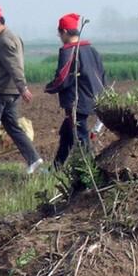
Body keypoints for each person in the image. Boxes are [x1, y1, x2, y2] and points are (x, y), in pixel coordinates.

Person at [0, 6, 43, 173]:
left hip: (0, 92)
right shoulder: (14, 37)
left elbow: (14, 66)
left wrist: (23, 87)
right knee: (13, 127)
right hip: (10, 93)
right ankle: (34, 159)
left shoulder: (5, 41)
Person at [44, 13, 107, 167]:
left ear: (64, 32)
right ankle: (56, 168)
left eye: (59, 33)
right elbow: (102, 75)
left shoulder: (69, 51)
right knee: (67, 134)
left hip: (77, 101)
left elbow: (63, 78)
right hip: (95, 97)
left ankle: (88, 172)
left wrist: (50, 87)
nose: (60, 36)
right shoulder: (92, 50)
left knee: (80, 137)